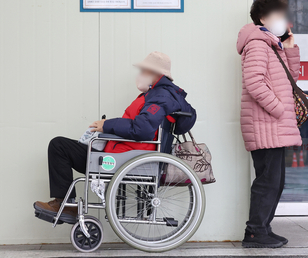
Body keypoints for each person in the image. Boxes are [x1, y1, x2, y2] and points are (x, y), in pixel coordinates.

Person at [33, 51, 196, 224]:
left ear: (155, 73)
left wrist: (107, 125)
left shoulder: (160, 97)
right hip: (122, 151)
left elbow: (142, 129)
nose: (140, 75)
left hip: (126, 156)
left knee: (59, 147)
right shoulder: (158, 95)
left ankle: (65, 205)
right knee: (60, 146)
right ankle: (65, 205)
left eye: (143, 71)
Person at [237, 0, 301, 248]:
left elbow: (290, 79)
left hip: (273, 125)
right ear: (263, 18)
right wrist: (278, 109)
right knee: (268, 180)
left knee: (275, 180)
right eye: (278, 15)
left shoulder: (272, 44)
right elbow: (254, 83)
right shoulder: (257, 44)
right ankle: (254, 232)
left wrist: (291, 49)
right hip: (266, 123)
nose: (282, 20)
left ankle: (263, 228)